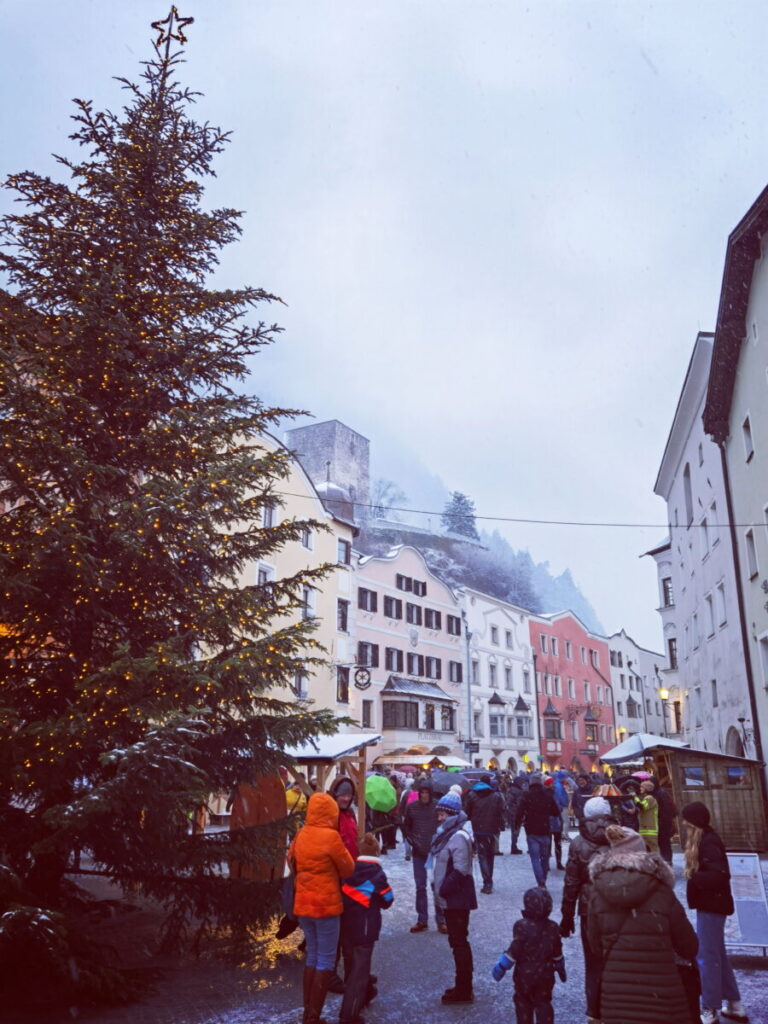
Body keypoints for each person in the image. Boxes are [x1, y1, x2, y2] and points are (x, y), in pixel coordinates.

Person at [587, 824, 698, 1024]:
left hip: (617, 996)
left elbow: (595, 946)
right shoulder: (661, 891)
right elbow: (689, 946)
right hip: (662, 994)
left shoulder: (598, 892)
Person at [289, 792, 355, 1024]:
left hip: (303, 904)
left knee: (312, 956)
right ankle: (313, 1017)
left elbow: (291, 860)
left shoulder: (301, 834)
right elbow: (348, 869)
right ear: (331, 813)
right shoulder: (331, 837)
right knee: (326, 960)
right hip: (326, 906)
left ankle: (307, 1011)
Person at [683, 802, 749, 1024]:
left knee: (706, 956)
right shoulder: (706, 839)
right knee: (716, 954)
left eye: (686, 820)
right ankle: (735, 1004)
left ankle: (710, 1008)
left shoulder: (708, 842)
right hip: (712, 904)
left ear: (694, 822)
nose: (683, 824)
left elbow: (720, 874)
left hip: (712, 904)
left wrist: (694, 878)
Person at [560, 795, 613, 1024]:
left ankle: (595, 1012)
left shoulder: (579, 842)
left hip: (589, 909)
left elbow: (572, 883)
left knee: (593, 961)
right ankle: (618, 1005)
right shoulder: (619, 837)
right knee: (616, 958)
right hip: (616, 905)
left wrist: (566, 916)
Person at [339, 831, 393, 1024]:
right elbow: (388, 900)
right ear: (377, 852)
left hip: (346, 925)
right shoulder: (377, 875)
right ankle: (349, 1014)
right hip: (365, 927)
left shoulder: (349, 870)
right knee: (360, 970)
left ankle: (366, 993)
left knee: (353, 965)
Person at [492, 886, 566, 1024]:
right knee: (544, 1003)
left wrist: (501, 966)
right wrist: (560, 968)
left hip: (524, 976)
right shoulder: (553, 927)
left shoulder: (521, 926)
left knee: (523, 1003)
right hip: (546, 975)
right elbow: (557, 952)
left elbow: (514, 950)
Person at [430, 791, 476, 1004]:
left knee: (459, 943)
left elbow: (461, 869)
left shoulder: (458, 836)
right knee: (457, 942)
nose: (439, 819)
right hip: (453, 897)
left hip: (457, 898)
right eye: (438, 814)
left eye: (442, 815)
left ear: (452, 815)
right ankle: (462, 986)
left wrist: (443, 889)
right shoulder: (449, 834)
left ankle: (464, 989)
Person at [403, 778, 445, 933]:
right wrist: (412, 839)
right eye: (422, 792)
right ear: (419, 793)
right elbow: (406, 826)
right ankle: (422, 919)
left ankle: (441, 919)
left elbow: (443, 824)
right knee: (420, 887)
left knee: (437, 886)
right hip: (419, 852)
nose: (425, 795)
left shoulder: (437, 807)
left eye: (427, 792)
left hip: (434, 853)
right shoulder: (412, 807)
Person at [515, 773, 562, 888]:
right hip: (545, 829)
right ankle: (544, 878)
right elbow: (556, 812)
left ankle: (540, 881)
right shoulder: (547, 795)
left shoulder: (526, 795)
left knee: (535, 858)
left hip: (531, 830)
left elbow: (519, 811)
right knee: (544, 857)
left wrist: (517, 824)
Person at [465, 773, 506, 893]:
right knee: (490, 855)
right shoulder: (496, 796)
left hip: (477, 829)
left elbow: (467, 812)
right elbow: (501, 812)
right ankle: (489, 880)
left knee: (482, 855)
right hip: (491, 829)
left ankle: (486, 882)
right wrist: (500, 825)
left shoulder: (472, 795)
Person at [632, 779, 659, 853]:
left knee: (653, 850)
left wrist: (635, 797)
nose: (640, 788)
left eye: (642, 787)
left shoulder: (650, 798)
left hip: (650, 830)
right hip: (645, 830)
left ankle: (656, 863)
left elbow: (642, 806)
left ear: (647, 789)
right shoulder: (646, 798)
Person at [544, 777, 564, 870]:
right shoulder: (551, 794)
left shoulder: (548, 793)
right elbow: (558, 806)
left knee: (549, 843)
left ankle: (548, 863)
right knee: (556, 842)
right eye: (552, 783)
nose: (554, 785)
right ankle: (558, 862)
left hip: (550, 820)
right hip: (554, 819)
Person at [505, 773, 528, 854]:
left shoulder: (513, 789)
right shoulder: (515, 790)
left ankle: (514, 846)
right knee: (515, 831)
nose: (522, 784)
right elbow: (509, 802)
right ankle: (513, 847)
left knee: (515, 831)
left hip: (515, 812)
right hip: (514, 813)